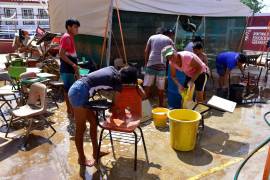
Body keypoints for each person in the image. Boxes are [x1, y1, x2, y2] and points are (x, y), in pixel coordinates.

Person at [68, 66, 144, 167]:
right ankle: (81, 159)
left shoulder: (112, 69)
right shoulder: (117, 83)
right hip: (78, 93)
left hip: (79, 88)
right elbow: (114, 105)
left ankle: (96, 152)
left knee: (94, 122)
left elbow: (100, 82)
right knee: (81, 128)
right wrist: (115, 110)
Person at [144, 27, 174, 107]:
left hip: (151, 64)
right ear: (164, 33)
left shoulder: (152, 37)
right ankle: (160, 106)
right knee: (161, 88)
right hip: (162, 66)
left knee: (147, 87)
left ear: (157, 32)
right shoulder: (169, 39)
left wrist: (145, 64)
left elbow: (146, 51)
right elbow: (170, 55)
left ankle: (143, 107)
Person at [59, 19, 80, 117]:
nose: (77, 29)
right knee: (70, 91)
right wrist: (73, 64)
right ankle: (71, 111)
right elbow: (61, 54)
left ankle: (70, 111)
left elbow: (68, 54)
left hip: (67, 69)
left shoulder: (69, 37)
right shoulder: (67, 37)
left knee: (68, 90)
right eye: (75, 27)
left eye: (77, 27)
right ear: (69, 27)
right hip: (67, 69)